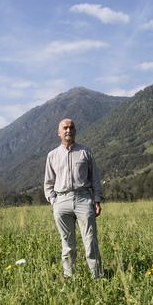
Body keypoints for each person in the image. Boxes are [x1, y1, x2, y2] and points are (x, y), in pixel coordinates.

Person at [44, 118, 104, 279]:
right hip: (61, 201)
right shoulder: (52, 156)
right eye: (65, 128)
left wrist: (97, 199)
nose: (68, 130)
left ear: (75, 131)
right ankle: (70, 278)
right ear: (59, 133)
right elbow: (48, 182)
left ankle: (97, 277)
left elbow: (95, 178)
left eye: (71, 127)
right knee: (67, 244)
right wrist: (53, 201)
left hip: (83, 199)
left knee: (90, 241)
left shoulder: (85, 152)